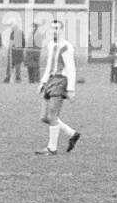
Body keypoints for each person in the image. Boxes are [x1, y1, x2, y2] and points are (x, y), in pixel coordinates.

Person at [34, 18, 82, 155]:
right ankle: (72, 134)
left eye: (57, 28)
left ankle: (52, 148)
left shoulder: (66, 47)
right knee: (44, 117)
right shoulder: (50, 45)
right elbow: (49, 65)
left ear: (61, 30)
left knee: (53, 116)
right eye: (52, 28)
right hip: (50, 80)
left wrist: (71, 89)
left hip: (61, 81)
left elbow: (71, 69)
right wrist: (43, 82)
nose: (54, 31)